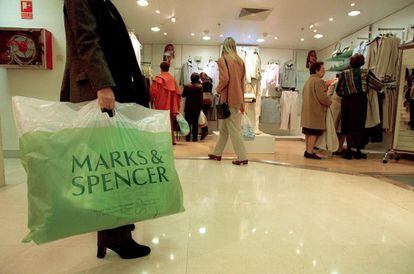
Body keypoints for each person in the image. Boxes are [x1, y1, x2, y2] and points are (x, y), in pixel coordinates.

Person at [61, 0, 151, 259]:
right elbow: (87, 40)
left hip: (111, 88)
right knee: (109, 168)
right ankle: (114, 236)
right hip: (98, 91)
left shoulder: (102, 2)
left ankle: (117, 227)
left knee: (115, 164)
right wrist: (103, 85)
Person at [208, 37, 248, 166]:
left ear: (224, 46)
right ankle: (217, 153)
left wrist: (217, 89)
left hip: (227, 99)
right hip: (237, 98)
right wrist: (242, 102)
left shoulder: (223, 59)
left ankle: (242, 156)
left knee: (233, 129)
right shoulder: (240, 61)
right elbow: (242, 83)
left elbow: (224, 79)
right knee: (225, 129)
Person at [336, 54, 382, 160]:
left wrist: (346, 94)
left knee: (347, 126)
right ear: (362, 62)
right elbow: (378, 84)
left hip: (347, 101)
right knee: (359, 125)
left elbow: (338, 90)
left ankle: (348, 151)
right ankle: (357, 151)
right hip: (360, 101)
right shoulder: (366, 73)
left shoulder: (344, 73)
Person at [301, 62, 332, 159]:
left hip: (307, 111)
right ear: (316, 70)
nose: (324, 71)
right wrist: (330, 102)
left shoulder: (308, 81)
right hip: (315, 112)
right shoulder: (319, 81)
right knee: (314, 132)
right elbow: (322, 97)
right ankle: (310, 152)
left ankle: (308, 150)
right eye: (322, 69)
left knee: (308, 132)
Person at [150, 61, 181, 145]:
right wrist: (176, 105)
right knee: (169, 122)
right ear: (168, 68)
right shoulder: (173, 79)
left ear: (160, 68)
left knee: (159, 121)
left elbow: (152, 93)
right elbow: (178, 94)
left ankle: (161, 140)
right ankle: (171, 140)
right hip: (171, 105)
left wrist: (151, 101)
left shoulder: (157, 79)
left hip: (160, 104)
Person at [182, 73, 203, 141]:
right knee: (195, 123)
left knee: (188, 123)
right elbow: (201, 99)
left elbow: (183, 95)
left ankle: (187, 138)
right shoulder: (200, 86)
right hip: (196, 108)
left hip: (188, 107)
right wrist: (201, 108)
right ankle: (195, 138)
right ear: (198, 79)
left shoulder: (187, 86)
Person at [200, 72, 214, 140]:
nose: (201, 79)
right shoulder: (210, 82)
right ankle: (204, 131)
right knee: (204, 116)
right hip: (209, 101)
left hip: (204, 101)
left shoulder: (205, 83)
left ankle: (204, 131)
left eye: (201, 78)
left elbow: (203, 92)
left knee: (203, 117)